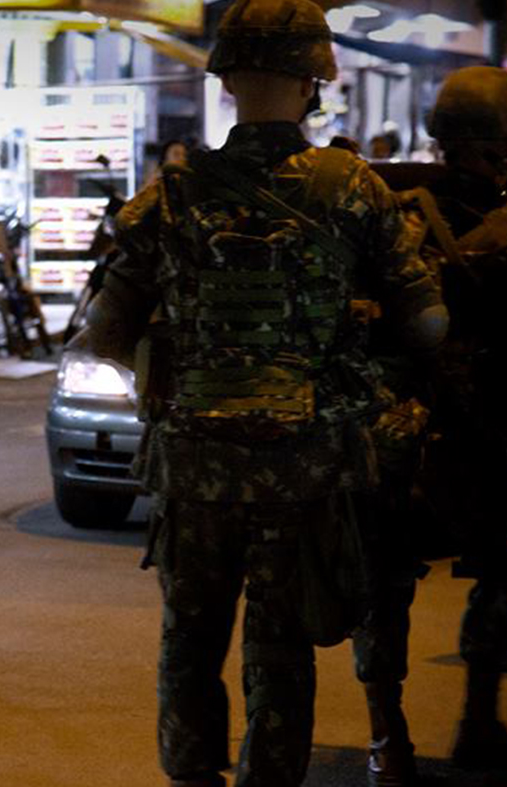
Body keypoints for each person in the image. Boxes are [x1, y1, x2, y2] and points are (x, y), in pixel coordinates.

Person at [83, 1, 447, 785]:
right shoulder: (351, 188)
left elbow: (101, 335)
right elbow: (427, 326)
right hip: (302, 468)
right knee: (278, 647)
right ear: (314, 81)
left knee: (188, 637)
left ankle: (189, 774)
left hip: (190, 467)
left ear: (225, 83)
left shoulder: (170, 196)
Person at [405, 65, 507, 773]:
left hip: (417, 442)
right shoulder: (490, 227)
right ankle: (474, 719)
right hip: (485, 436)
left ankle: (400, 735)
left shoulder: (399, 211)